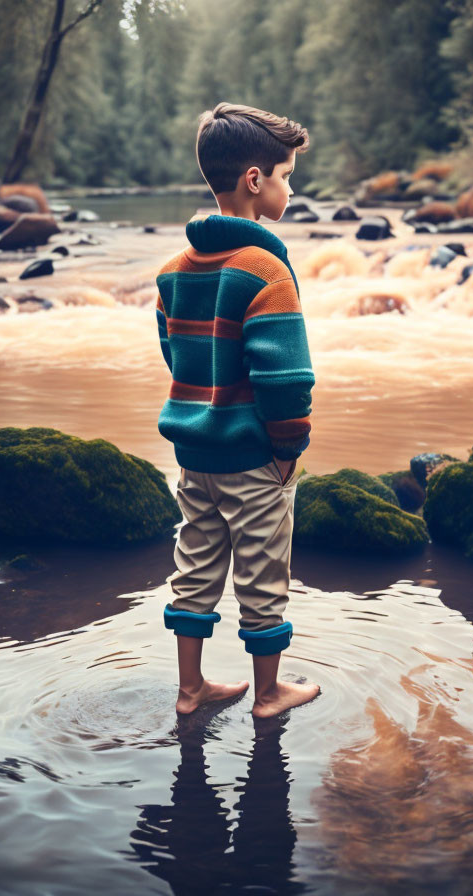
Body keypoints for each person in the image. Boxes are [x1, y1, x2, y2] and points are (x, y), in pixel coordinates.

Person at [155, 102, 320, 719]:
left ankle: (190, 689)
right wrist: (287, 450)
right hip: (254, 456)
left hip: (195, 453)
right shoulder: (265, 269)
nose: (290, 187)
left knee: (194, 568)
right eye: (286, 174)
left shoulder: (174, 271)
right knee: (262, 574)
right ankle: (269, 693)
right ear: (255, 181)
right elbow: (286, 380)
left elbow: (177, 358)